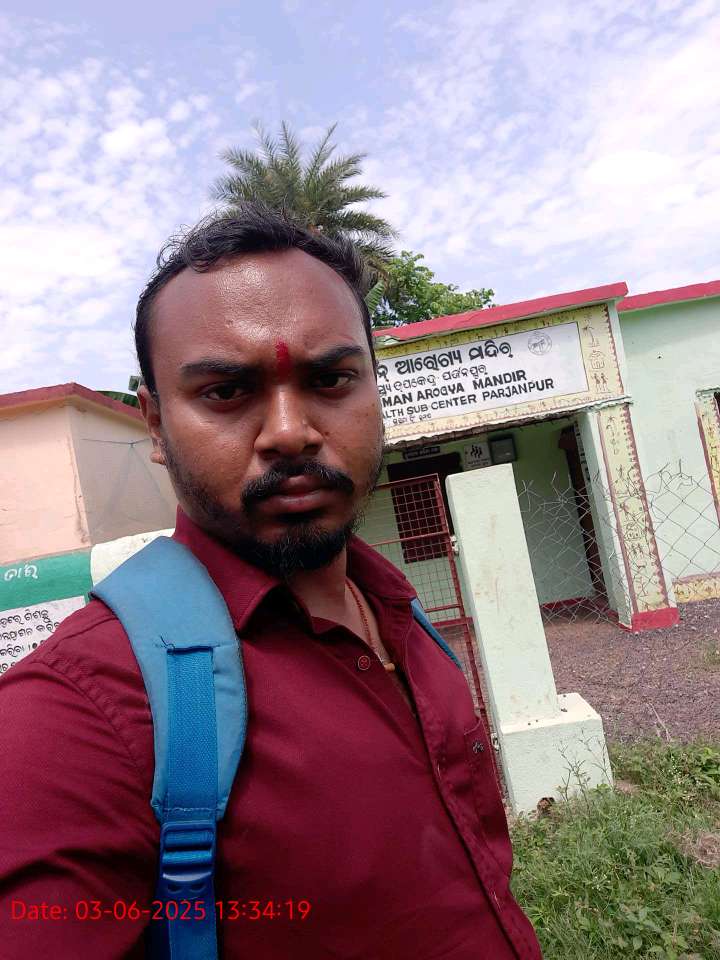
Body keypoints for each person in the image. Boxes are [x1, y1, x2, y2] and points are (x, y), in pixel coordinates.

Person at [0, 204, 543, 959]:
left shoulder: (401, 613)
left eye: (331, 379)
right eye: (226, 391)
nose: (290, 431)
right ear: (154, 425)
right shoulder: (77, 712)